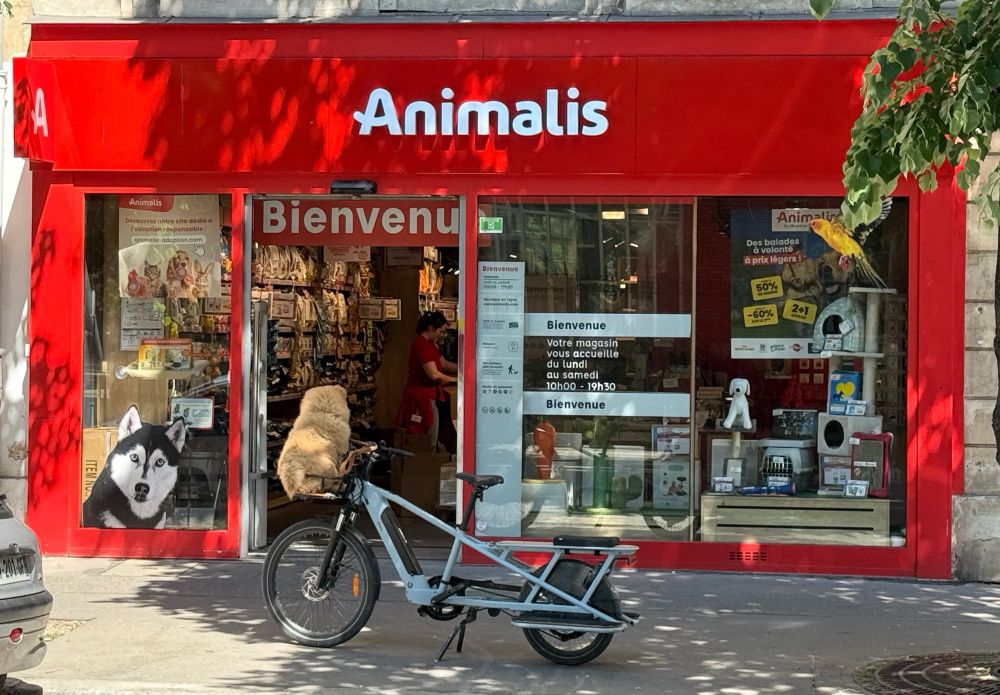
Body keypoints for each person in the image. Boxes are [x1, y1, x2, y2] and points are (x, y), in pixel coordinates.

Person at [395, 311, 458, 450]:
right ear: (431, 328)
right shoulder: (422, 345)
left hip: (427, 396)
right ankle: (425, 461)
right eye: (441, 331)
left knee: (430, 432)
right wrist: (455, 379)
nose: (443, 335)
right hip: (421, 398)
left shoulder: (430, 344)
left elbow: (444, 364)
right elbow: (434, 374)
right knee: (427, 433)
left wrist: (462, 369)